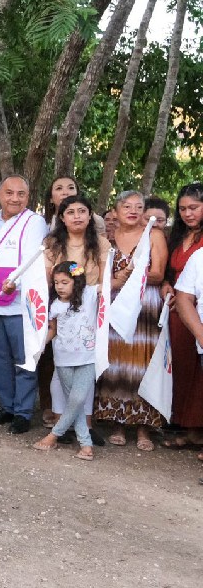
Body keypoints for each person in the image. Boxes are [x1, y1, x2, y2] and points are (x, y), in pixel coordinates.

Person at [94, 191, 167, 450]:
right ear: (115, 211)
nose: (133, 210)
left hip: (144, 305)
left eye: (139, 206)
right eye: (127, 206)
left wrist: (130, 275)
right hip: (114, 305)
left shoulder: (153, 234)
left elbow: (158, 274)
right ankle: (116, 422)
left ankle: (143, 427)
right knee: (115, 363)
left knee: (142, 363)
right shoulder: (108, 238)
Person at [0, 174, 49, 434]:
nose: (15, 198)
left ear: (28, 197)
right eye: (9, 193)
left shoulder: (34, 221)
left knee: (23, 358)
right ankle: (7, 406)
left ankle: (22, 411)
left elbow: (33, 258)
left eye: (21, 194)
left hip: (20, 301)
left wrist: (15, 282)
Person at [42, 195, 110, 440]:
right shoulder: (52, 243)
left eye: (83, 211)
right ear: (62, 217)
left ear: (90, 215)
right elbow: (44, 279)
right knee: (60, 371)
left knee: (85, 372)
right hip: (60, 307)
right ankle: (63, 424)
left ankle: (85, 428)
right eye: (71, 212)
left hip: (90, 309)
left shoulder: (100, 243)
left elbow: (104, 280)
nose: (77, 216)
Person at [33, 261, 98, 461]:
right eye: (56, 282)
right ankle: (86, 445)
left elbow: (113, 285)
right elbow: (52, 330)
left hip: (88, 358)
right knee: (74, 401)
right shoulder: (54, 305)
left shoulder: (90, 295)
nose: (60, 286)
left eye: (65, 282)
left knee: (78, 399)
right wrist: (37, 345)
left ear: (76, 282)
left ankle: (54, 435)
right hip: (63, 359)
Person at [164, 183, 203, 450]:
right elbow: (168, 270)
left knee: (198, 373)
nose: (188, 214)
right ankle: (185, 426)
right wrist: (167, 285)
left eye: (194, 208)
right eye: (183, 209)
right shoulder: (176, 236)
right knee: (180, 366)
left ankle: (199, 430)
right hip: (176, 311)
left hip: (196, 308)